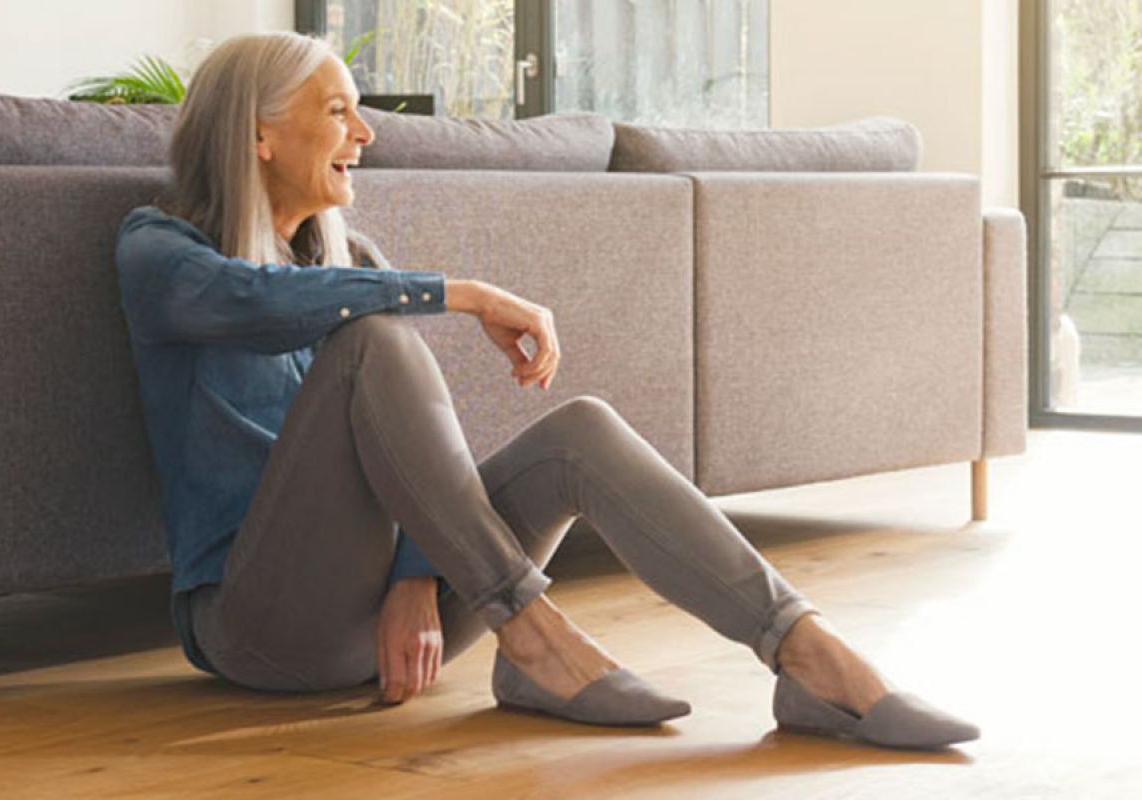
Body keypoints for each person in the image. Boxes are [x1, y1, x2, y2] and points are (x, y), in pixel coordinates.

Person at [114, 31, 979, 749]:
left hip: (389, 622)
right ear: (259, 135)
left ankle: (807, 656)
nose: (365, 134)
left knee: (580, 433)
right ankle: (532, 633)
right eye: (337, 111)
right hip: (259, 629)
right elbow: (247, 300)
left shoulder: (354, 262)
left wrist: (418, 574)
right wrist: (465, 292)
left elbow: (414, 448)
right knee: (375, 338)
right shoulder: (158, 252)